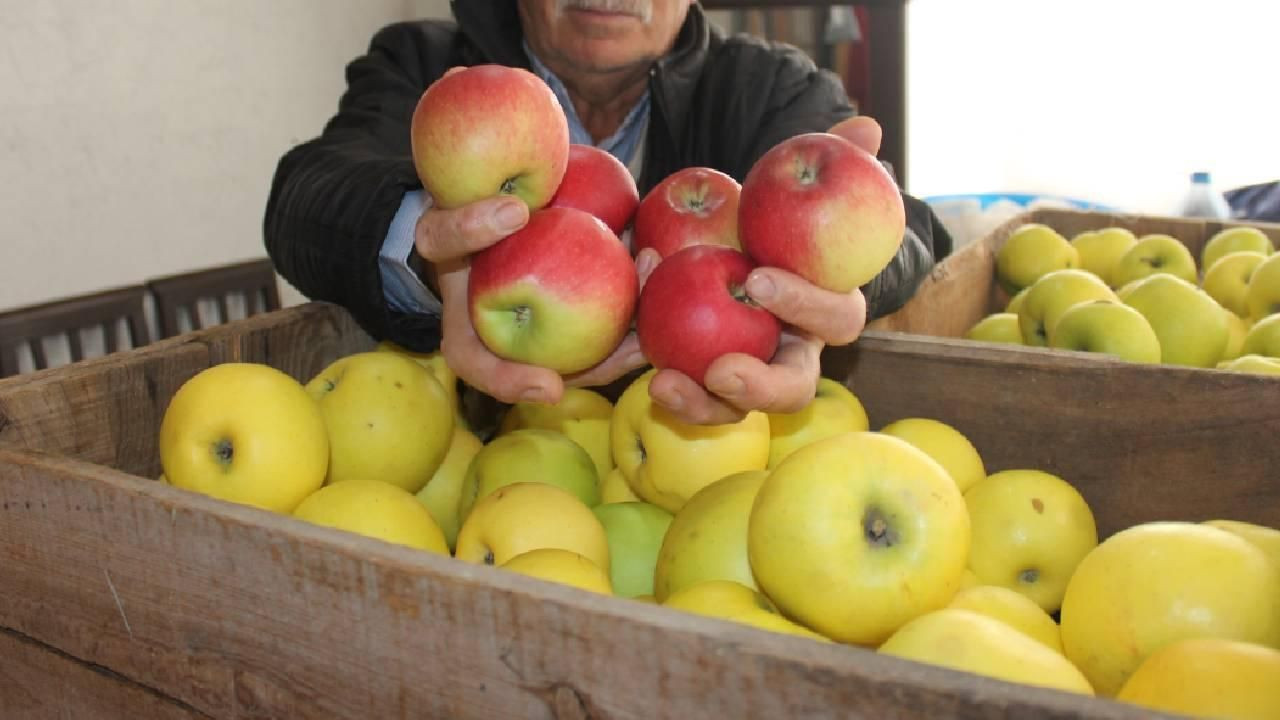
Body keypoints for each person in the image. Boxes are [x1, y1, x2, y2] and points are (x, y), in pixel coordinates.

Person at [264, 0, 951, 426]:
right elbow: (302, 199)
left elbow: (916, 231)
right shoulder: (425, 65)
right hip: (466, 467)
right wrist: (440, 244)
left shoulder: (768, 88)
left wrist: (835, 276)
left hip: (711, 483)